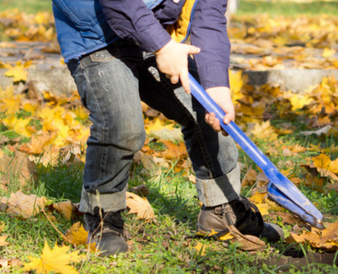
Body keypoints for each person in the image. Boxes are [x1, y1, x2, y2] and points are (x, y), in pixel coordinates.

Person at [52, 0, 283, 256]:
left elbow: (208, 14)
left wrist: (216, 85)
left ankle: (222, 209)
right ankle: (103, 215)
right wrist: (160, 45)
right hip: (95, 33)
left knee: (206, 109)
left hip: (159, 31)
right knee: (122, 126)